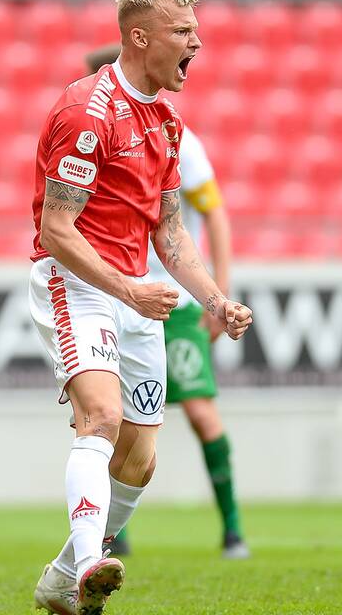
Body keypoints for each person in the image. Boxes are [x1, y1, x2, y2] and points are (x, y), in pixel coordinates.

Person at [28, 0, 254, 615]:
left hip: (135, 295)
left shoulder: (169, 123)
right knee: (101, 417)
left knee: (140, 459)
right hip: (76, 283)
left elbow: (170, 231)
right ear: (140, 37)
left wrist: (215, 300)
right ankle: (88, 564)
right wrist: (128, 288)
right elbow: (56, 229)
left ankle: (60, 579)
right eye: (182, 32)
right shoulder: (86, 112)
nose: (196, 43)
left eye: (195, 31)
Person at [83, 44, 249, 560]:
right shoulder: (90, 130)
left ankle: (233, 530)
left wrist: (218, 294)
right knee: (109, 420)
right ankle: (110, 536)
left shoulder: (177, 136)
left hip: (172, 300)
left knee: (200, 412)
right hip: (114, 294)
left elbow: (211, 213)